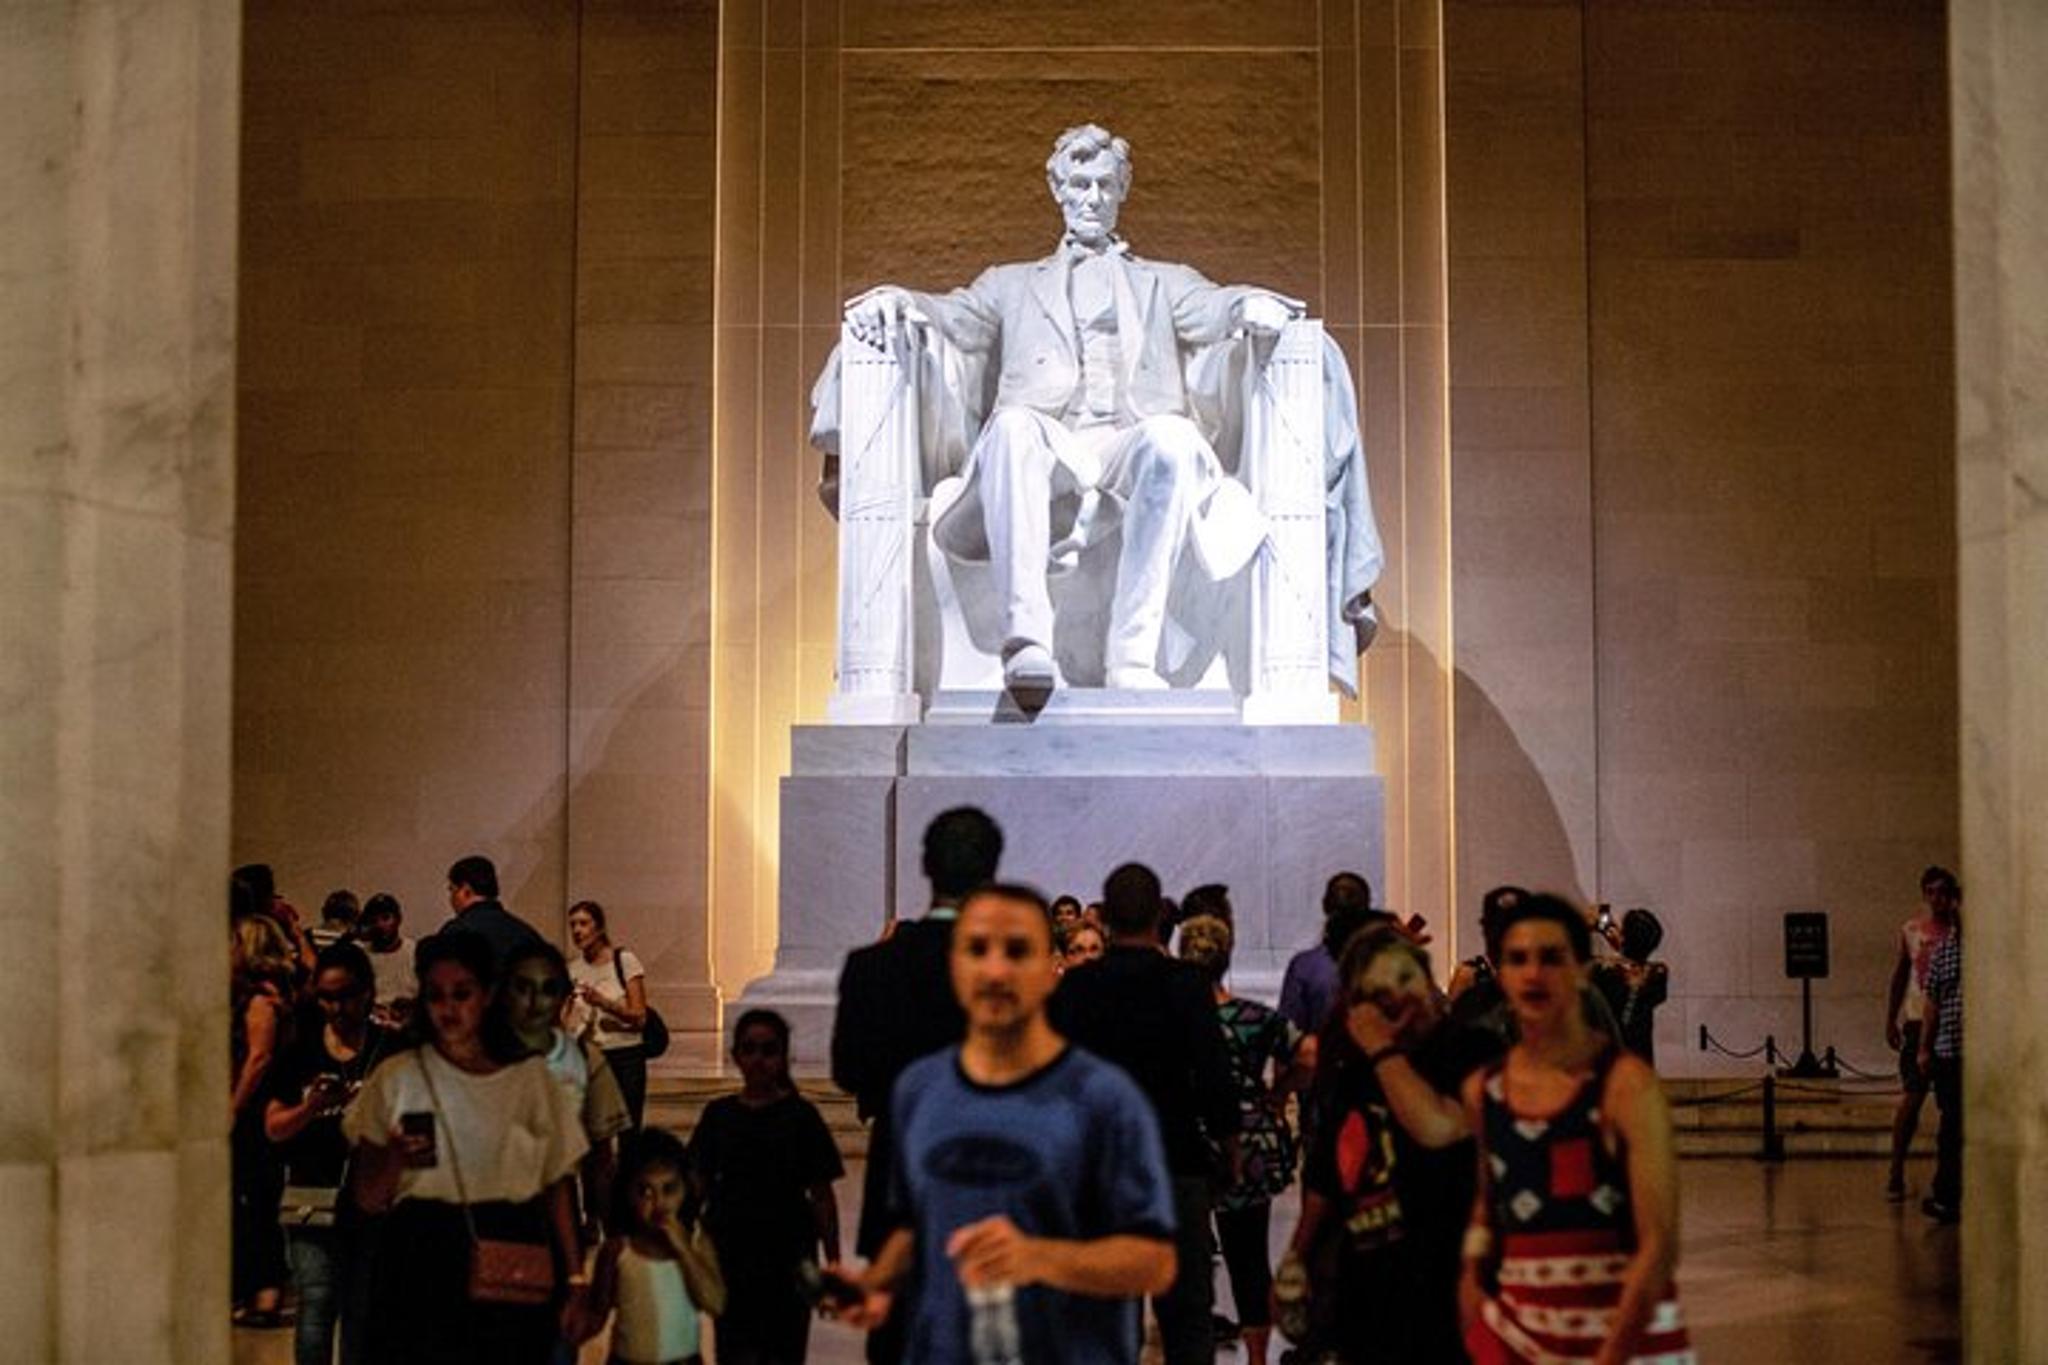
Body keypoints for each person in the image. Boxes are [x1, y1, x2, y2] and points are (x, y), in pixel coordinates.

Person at [816, 124, 1379, 693]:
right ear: (1058, 190)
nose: (1092, 198)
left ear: (1122, 191)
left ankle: (1131, 656)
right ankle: (1027, 642)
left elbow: (1213, 306)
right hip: (1047, 439)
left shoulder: (1164, 282)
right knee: (1010, 427)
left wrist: (1250, 303)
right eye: (1080, 184)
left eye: (1105, 186)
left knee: (1174, 439)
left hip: (1125, 442)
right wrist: (897, 299)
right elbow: (953, 315)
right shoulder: (1009, 284)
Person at [831, 884, 1178, 1363]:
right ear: (956, 966)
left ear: (1052, 969)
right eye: (978, 950)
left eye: (1017, 951)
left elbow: (1155, 1261)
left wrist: (1040, 1257)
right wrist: (874, 1282)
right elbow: (922, 1223)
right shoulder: (920, 1091)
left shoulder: (1105, 1099)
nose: (996, 971)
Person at [1460, 894, 1693, 1364]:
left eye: (1551, 958)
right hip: (1519, 1330)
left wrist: (1611, 1353)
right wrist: (1472, 1296)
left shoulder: (1626, 1087)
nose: (1533, 974)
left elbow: (1658, 1244)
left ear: (1582, 971)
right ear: (1500, 972)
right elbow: (1487, 1209)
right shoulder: (1484, 1089)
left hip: (1619, 1337)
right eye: (1517, 959)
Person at [343, 932, 587, 1365]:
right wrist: (394, 1157)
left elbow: (557, 1181)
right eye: (436, 996)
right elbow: (367, 1197)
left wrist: (575, 1277)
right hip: (420, 1252)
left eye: (461, 994)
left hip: (510, 1243)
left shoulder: (529, 1080)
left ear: (487, 995)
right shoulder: (398, 1078)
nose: (448, 1009)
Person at [1279, 925, 1501, 1363]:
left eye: (1405, 980)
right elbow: (1328, 1177)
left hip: (1448, 1278)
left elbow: (1440, 1129)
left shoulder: (1471, 1051)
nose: (1398, 1001)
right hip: (1368, 1287)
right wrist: (1297, 1257)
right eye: (1378, 993)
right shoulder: (1356, 1072)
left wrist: (1382, 1052)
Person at [830, 806, 1001, 1364]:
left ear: (925, 865)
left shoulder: (872, 967)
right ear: (992, 870)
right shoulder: (1008, 974)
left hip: (899, 1169)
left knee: (896, 1336)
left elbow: (848, 1071)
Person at [1051, 863, 1238, 1365]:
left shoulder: (1077, 988)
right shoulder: (1187, 984)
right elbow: (1214, 1074)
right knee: (1187, 1319)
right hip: (1175, 1161)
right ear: (1160, 916)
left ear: (1107, 918)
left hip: (1100, 1169)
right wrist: (1230, 1146)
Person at [1176, 915, 1307, 1365]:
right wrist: (1279, 1093)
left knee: (1188, 1261)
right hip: (1251, 1141)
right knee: (1249, 1259)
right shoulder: (1256, 1018)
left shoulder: (1174, 1022)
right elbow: (1309, 1053)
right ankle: (1257, 1358)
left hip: (1186, 1141)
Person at [686, 1009, 845, 1363]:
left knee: (784, 1350)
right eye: (750, 1049)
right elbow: (695, 1186)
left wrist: (833, 1264)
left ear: (783, 1056)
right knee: (733, 1349)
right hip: (732, 1253)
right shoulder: (718, 1116)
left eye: (769, 1050)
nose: (758, 1060)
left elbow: (822, 1196)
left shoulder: (802, 1117)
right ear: (736, 1056)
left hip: (789, 1255)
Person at [265, 941, 398, 1365]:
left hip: (375, 1198)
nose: (336, 1008)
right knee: (317, 1302)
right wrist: (311, 1107)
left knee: (362, 1307)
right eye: (325, 997)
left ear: (367, 993)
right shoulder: (301, 1050)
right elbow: (274, 1128)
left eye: (345, 996)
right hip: (312, 1195)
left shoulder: (391, 1049)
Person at [501, 940, 632, 1249]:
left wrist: (605, 1230)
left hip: (553, 1216)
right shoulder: (480, 1058)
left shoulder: (585, 1060)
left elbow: (601, 1159)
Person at [570, 1128, 705, 1365]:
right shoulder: (616, 1252)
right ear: (627, 1193)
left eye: (668, 1190)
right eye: (645, 1192)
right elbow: (596, 1315)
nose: (658, 1203)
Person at [232, 911, 298, 1327]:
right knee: (258, 1201)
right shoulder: (281, 992)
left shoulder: (261, 999)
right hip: (265, 1107)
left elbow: (258, 1057)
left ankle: (265, 1290)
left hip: (257, 1111)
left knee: (255, 1202)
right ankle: (261, 1287)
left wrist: (232, 1105)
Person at [1884, 865, 1960, 1201]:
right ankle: (1895, 1169)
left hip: (1951, 1024)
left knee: (1951, 1107)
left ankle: (1948, 1180)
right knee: (1912, 1098)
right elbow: (1900, 974)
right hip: (1917, 1020)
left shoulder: (1960, 934)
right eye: (1931, 892)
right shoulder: (1912, 930)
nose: (1937, 899)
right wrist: (1890, 1018)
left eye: (1943, 892)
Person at [565, 899, 652, 1129]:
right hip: (592, 1057)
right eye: (573, 925)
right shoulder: (573, 969)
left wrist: (604, 1003)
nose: (577, 931)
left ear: (599, 927)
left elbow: (640, 1016)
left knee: (629, 1130)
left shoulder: (624, 961)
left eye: (583, 923)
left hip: (626, 1056)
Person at [1277, 871, 1382, 1035]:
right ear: (1367, 908)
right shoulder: (1387, 965)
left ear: (1324, 906)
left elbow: (1288, 1035)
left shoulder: (1304, 967)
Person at [1916, 882, 1964, 1224]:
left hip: (1984, 1056)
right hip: (1950, 1052)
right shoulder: (1944, 951)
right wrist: (1924, 1048)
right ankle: (1948, 1197)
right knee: (1951, 1127)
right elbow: (1932, 1002)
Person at [1589, 910, 1670, 1066]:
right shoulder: (1658, 974)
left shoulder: (1602, 972)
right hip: (1641, 1063)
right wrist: (1623, 945)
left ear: (1624, 937)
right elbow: (1634, 962)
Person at [438, 853, 545, 970]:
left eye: (452, 890)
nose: (451, 898)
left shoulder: (455, 932)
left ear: (466, 890)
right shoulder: (526, 933)